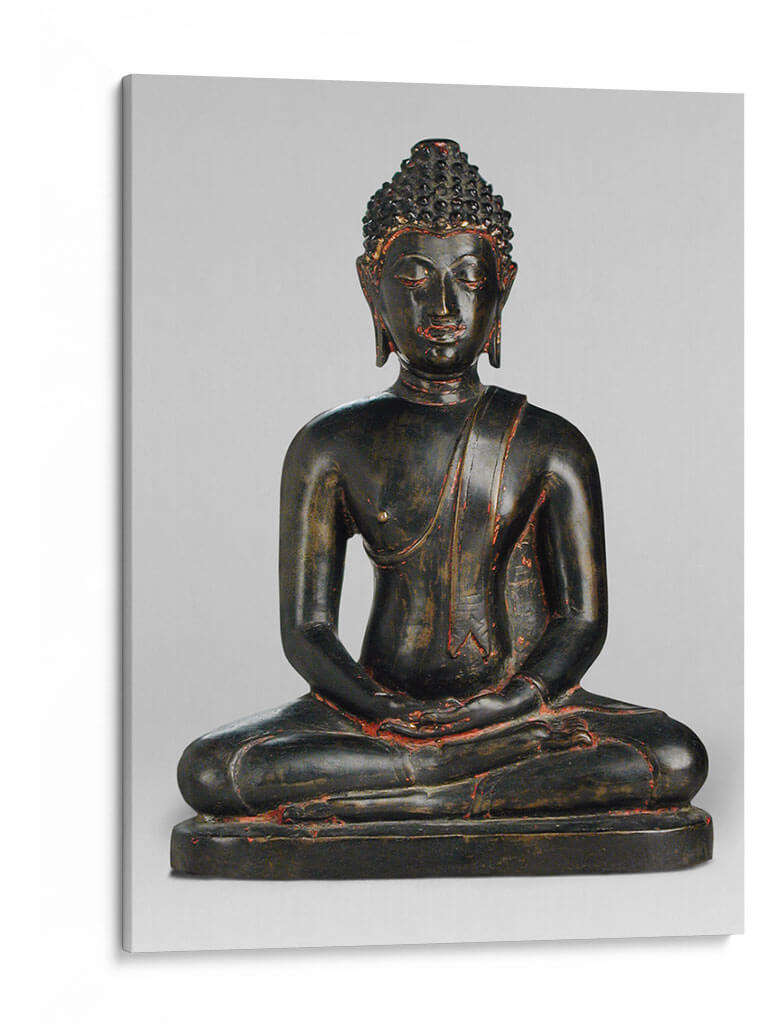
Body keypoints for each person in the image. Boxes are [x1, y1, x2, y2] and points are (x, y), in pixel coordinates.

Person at [177, 139, 707, 823]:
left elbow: (581, 620)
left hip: (517, 713)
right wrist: (381, 709)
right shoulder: (329, 445)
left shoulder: (551, 444)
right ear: (372, 289)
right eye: (415, 280)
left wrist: (513, 701)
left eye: (469, 279)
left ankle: (433, 791)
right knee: (211, 771)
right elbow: (307, 629)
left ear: (503, 288)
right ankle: (438, 774)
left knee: (675, 755)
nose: (443, 307)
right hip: (377, 714)